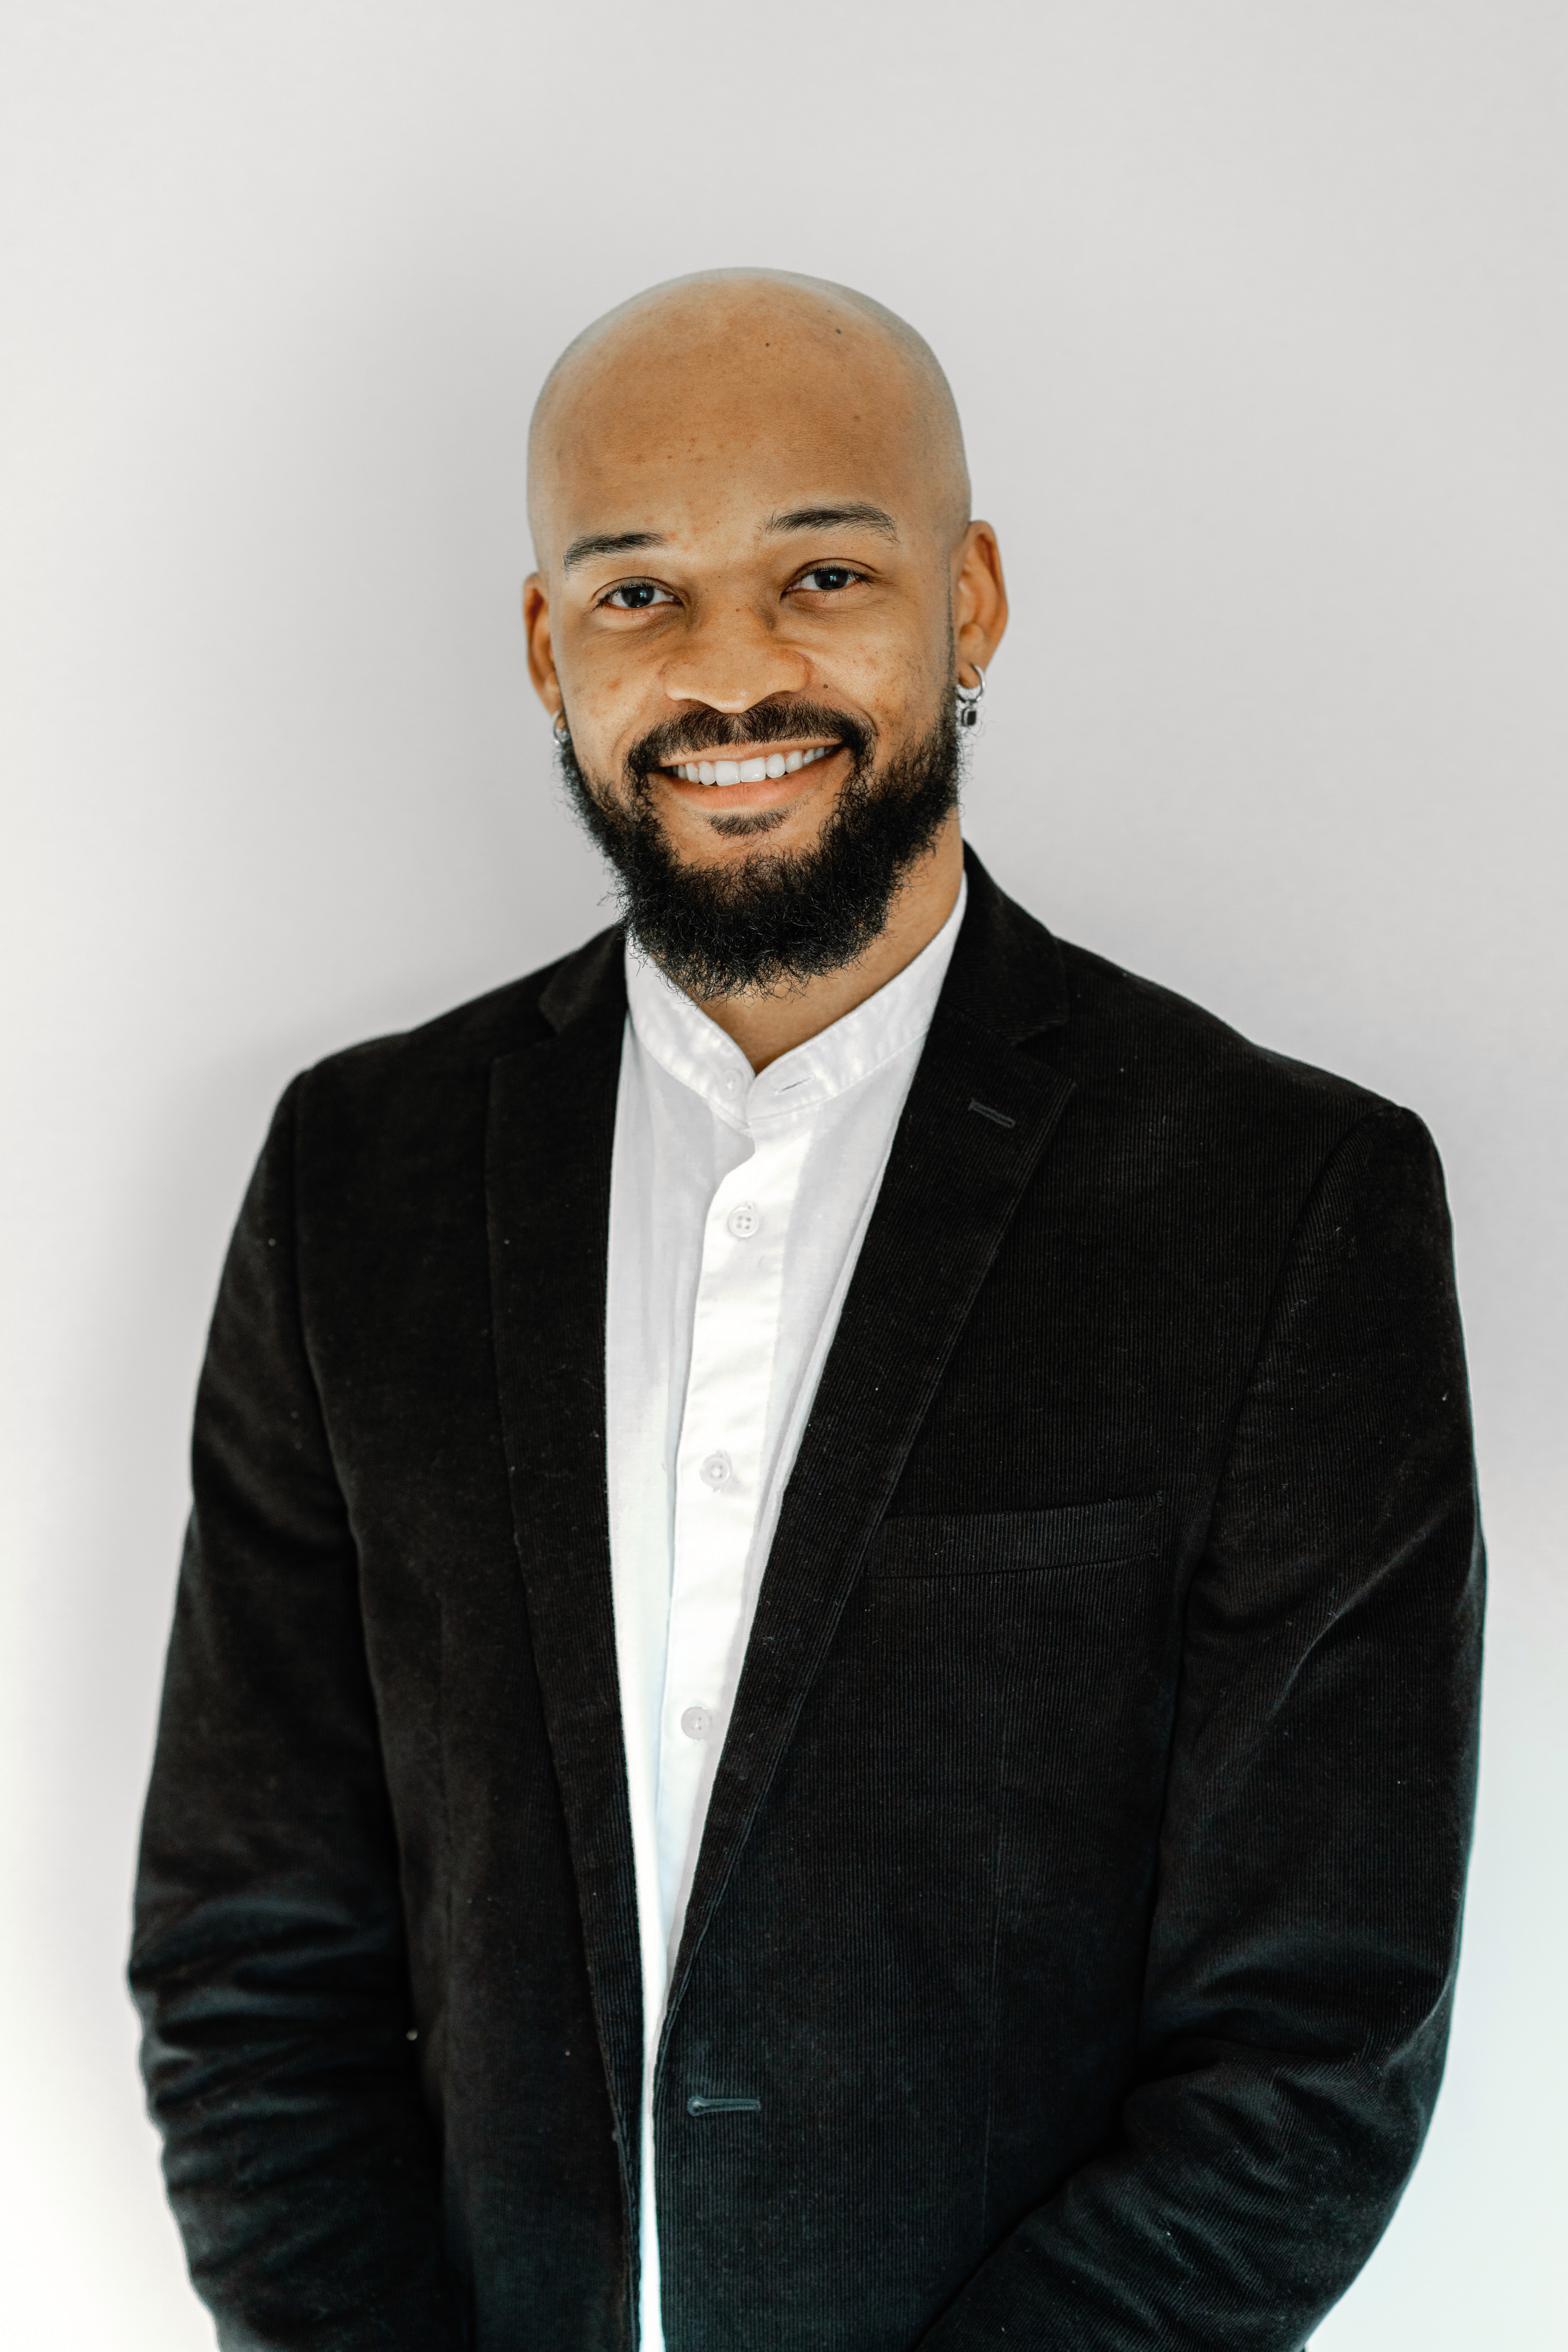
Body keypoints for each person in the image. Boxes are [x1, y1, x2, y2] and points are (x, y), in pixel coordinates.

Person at [131, 269, 1483, 2352]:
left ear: (970, 599)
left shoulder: (1284, 1205)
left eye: (822, 570)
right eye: (635, 593)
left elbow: (1315, 2033)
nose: (729, 671)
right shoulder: (357, 1180)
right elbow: (250, 1945)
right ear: (541, 644)